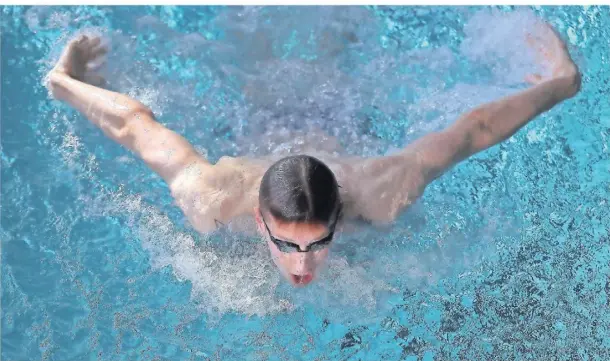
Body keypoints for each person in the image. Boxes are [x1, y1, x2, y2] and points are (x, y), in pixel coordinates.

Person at [46, 21, 581, 287]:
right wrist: (64, 82)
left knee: (335, 48)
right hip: (259, 129)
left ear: (337, 216)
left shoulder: (380, 192)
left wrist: (563, 82)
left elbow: (474, 129)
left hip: (337, 129)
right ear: (258, 217)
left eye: (319, 242)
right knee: (252, 54)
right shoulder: (211, 196)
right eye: (285, 243)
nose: (302, 265)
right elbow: (135, 125)